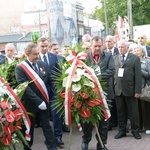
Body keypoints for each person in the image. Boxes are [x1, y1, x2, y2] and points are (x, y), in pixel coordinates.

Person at [15, 43, 57, 150]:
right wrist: (39, 102)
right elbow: (25, 88)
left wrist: (59, 90)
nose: (37, 56)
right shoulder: (20, 68)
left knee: (47, 128)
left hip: (44, 103)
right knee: (29, 130)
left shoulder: (42, 64)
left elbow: (50, 80)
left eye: (38, 53)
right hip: (29, 106)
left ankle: (52, 148)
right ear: (27, 54)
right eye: (34, 54)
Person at [81, 36, 115, 150]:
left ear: (103, 45)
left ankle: (101, 143)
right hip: (88, 94)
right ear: (91, 46)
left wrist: (97, 77)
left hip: (104, 93)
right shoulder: (85, 57)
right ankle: (85, 141)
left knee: (104, 121)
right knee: (87, 120)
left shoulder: (109, 56)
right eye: (95, 46)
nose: (97, 48)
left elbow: (111, 71)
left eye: (99, 46)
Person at [37, 37, 65, 146]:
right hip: (41, 90)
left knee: (56, 115)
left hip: (54, 90)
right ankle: (49, 138)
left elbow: (59, 72)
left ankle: (58, 137)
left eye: (46, 46)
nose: (44, 48)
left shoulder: (54, 57)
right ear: (38, 46)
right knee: (44, 116)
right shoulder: (35, 58)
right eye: (42, 46)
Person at [114, 40, 142, 140]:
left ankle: (135, 131)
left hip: (131, 90)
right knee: (120, 112)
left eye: (122, 47)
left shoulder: (134, 58)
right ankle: (122, 130)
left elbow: (138, 75)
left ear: (127, 47)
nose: (120, 49)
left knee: (133, 112)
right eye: (119, 47)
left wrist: (138, 90)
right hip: (118, 90)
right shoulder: (115, 58)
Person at [134, 45, 150, 134]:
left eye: (138, 51)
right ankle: (139, 127)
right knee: (137, 109)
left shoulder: (147, 62)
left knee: (146, 109)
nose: (136, 52)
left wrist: (139, 69)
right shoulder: (132, 62)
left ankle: (147, 127)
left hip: (144, 88)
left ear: (142, 52)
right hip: (135, 88)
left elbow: (149, 74)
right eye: (135, 51)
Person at [105, 35, 118, 130]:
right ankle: (110, 122)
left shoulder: (118, 51)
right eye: (106, 41)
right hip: (108, 82)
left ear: (114, 42)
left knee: (117, 103)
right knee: (110, 102)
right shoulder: (104, 53)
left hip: (117, 81)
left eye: (110, 41)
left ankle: (115, 121)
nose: (108, 43)